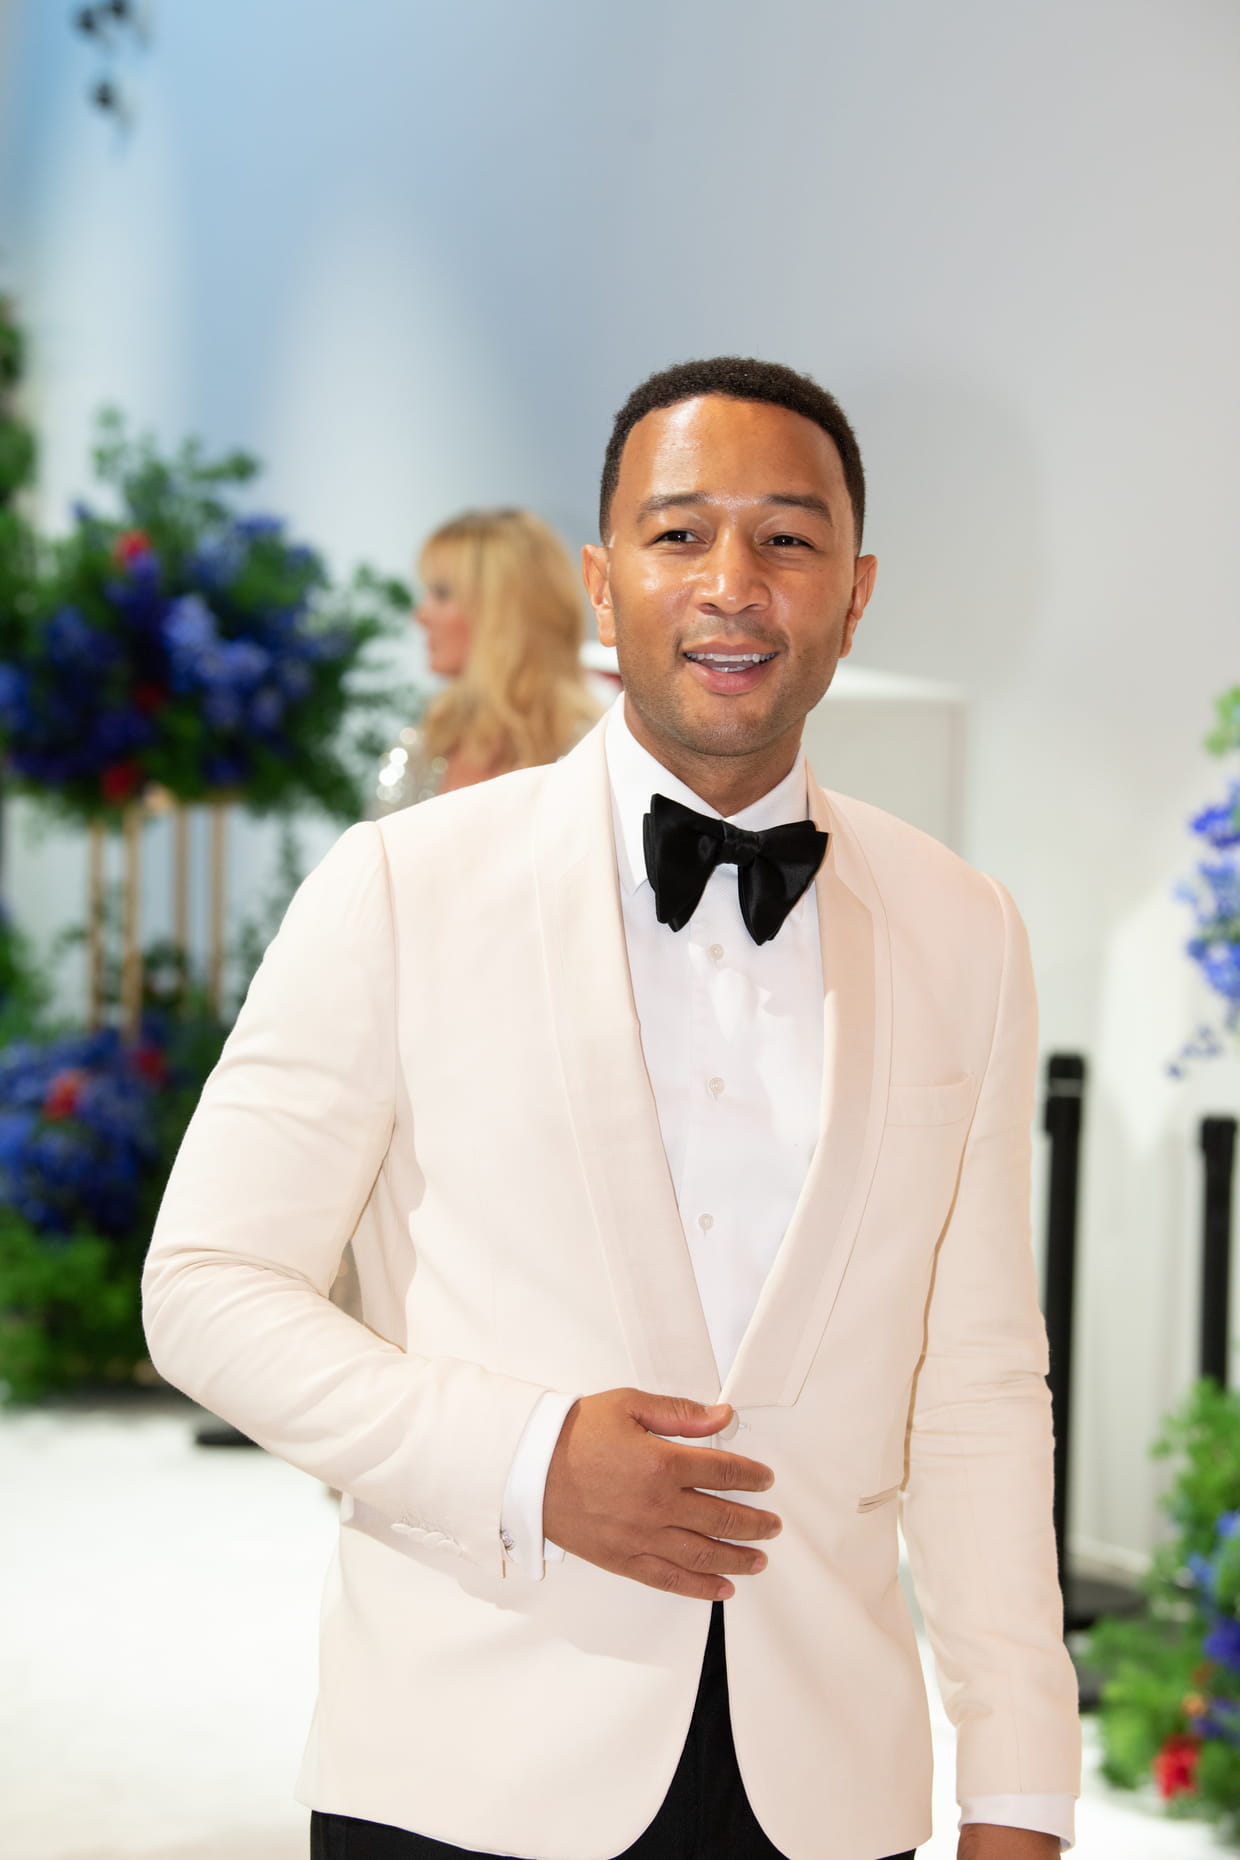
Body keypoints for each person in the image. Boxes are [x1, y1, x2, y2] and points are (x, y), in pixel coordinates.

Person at [142, 356, 1081, 1860]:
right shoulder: (400, 888)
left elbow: (974, 1384)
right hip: (460, 1772)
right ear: (600, 581)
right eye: (678, 533)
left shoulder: (965, 927)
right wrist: (527, 1460)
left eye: (788, 538)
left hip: (829, 1789)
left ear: (856, 594)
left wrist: (1018, 1784)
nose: (733, 584)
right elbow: (205, 1287)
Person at [373, 507, 602, 813]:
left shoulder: (588, 753)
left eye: (441, 594)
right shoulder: (420, 751)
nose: (420, 615)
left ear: (502, 613)